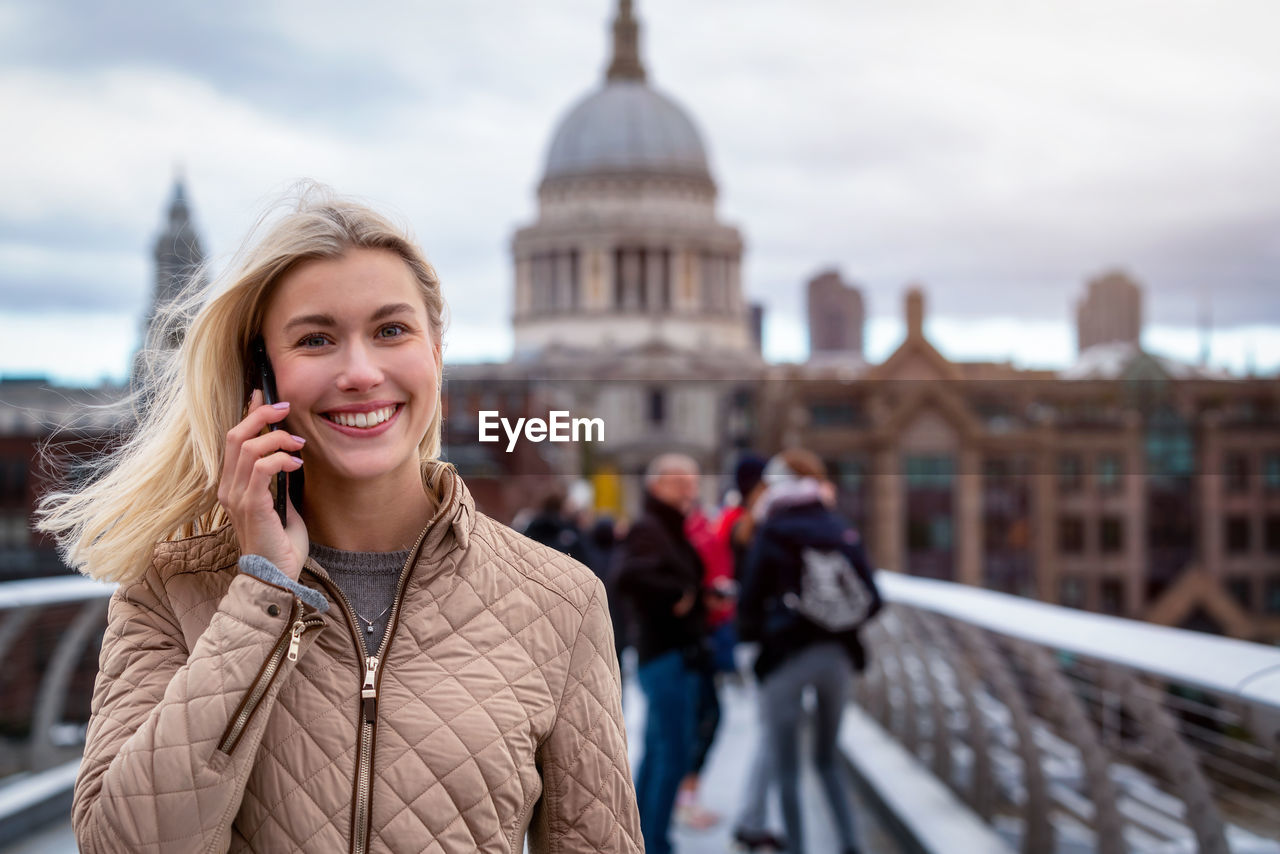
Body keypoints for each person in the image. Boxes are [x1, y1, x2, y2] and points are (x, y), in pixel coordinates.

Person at [36, 186, 642, 853]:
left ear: (435, 353)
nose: (360, 372)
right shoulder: (169, 593)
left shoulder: (562, 601)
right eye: (316, 339)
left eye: (390, 330)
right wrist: (261, 592)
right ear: (260, 379)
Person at [736, 449, 882, 854]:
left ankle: (797, 847)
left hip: (786, 657)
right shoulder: (838, 526)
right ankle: (852, 845)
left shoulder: (773, 528)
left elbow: (750, 600)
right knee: (828, 759)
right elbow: (873, 597)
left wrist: (751, 645)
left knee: (787, 770)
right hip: (838, 658)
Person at [612, 453, 705, 854]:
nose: (690, 486)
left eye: (692, 479)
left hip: (671, 654)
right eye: (679, 479)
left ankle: (645, 838)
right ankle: (654, 842)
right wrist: (679, 595)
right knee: (673, 753)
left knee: (660, 752)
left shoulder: (669, 527)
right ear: (656, 486)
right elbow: (628, 575)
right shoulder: (651, 527)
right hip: (664, 655)